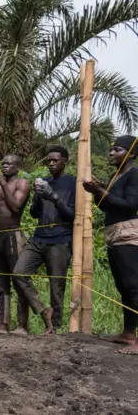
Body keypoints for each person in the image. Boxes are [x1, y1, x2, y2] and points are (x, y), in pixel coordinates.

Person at [0, 154, 52, 334]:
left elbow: (16, 207)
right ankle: (2, 324)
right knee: (0, 282)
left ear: (18, 167)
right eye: (3, 163)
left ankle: (22, 326)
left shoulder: (22, 184)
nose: (4, 166)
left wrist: (3, 183)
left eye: (9, 164)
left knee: (18, 280)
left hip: (13, 235)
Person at [84, 135, 138, 355]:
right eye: (111, 149)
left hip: (129, 235)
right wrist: (96, 192)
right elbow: (107, 208)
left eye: (117, 150)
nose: (111, 153)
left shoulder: (134, 175)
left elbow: (129, 205)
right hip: (115, 235)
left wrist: (99, 191)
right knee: (123, 286)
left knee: (134, 286)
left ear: (131, 153)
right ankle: (128, 332)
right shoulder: (117, 176)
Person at [13, 146, 75, 332]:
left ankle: (54, 328)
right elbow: (33, 214)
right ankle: (43, 310)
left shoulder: (72, 183)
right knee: (19, 273)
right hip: (39, 237)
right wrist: (38, 197)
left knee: (57, 286)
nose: (51, 163)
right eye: (49, 160)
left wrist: (54, 197)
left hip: (61, 239)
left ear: (65, 161)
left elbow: (73, 216)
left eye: (55, 160)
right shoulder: (44, 181)